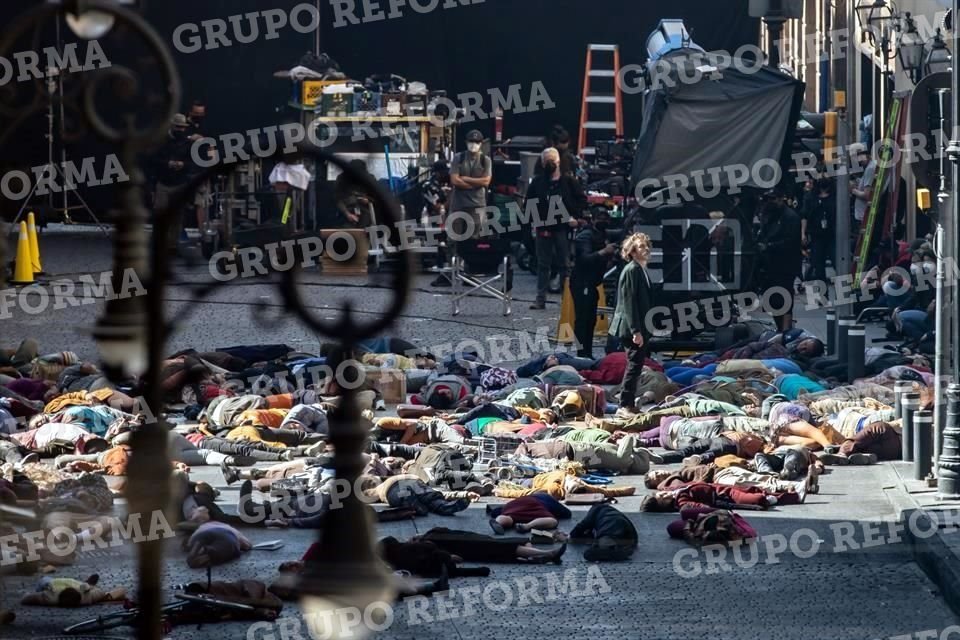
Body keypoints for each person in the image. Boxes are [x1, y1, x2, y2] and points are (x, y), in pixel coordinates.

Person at [526, 147, 587, 309]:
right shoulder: (538, 183)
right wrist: (534, 222)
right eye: (546, 161)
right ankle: (540, 299)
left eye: (552, 160)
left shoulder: (569, 182)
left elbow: (581, 201)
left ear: (558, 161)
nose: (549, 164)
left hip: (562, 228)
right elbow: (529, 204)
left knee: (565, 265)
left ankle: (567, 299)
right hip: (543, 228)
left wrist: (575, 217)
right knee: (543, 264)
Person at [609, 233, 654, 419]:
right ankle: (624, 405)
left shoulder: (640, 269)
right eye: (642, 247)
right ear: (633, 251)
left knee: (637, 364)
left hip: (640, 325)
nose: (646, 249)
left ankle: (629, 402)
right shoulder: (631, 270)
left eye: (647, 246)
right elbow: (629, 302)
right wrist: (636, 330)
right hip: (630, 327)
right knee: (634, 365)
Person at [571, 210, 617, 358]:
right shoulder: (585, 236)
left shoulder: (603, 235)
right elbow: (584, 259)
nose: (604, 221)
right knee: (583, 320)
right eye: (600, 218)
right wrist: (604, 252)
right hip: (582, 282)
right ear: (593, 219)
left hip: (592, 283)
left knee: (591, 319)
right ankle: (581, 353)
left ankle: (587, 353)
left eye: (606, 219)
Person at [756, 188, 802, 332]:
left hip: (785, 265)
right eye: (769, 199)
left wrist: (769, 246)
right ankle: (780, 328)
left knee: (784, 297)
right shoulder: (768, 214)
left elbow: (791, 242)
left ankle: (786, 329)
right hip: (770, 264)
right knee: (772, 298)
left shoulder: (790, 217)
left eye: (774, 199)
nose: (771, 202)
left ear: (781, 198)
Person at [449, 129, 492, 242]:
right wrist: (475, 185)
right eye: (471, 141)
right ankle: (453, 258)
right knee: (454, 236)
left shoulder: (485, 160)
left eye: (477, 142)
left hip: (477, 205)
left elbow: (486, 181)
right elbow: (454, 180)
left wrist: (465, 179)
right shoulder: (459, 157)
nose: (474, 144)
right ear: (466, 142)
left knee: (475, 238)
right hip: (458, 204)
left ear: (481, 143)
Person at [569, 503, 638, 562]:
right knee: (607, 539)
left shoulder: (596, 509)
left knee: (591, 551)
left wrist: (571, 535)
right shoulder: (608, 511)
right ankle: (619, 548)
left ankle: (610, 551)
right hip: (631, 534)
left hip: (611, 526)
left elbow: (582, 525)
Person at [802, 178, 833, 281]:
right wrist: (803, 233)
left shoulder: (835, 196)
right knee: (818, 264)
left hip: (833, 234)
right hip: (816, 235)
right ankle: (823, 293)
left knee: (837, 260)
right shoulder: (810, 197)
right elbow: (805, 215)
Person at [333, 159, 375, 228]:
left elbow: (376, 196)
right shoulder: (342, 178)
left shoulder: (369, 178)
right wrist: (347, 214)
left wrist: (368, 200)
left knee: (366, 223)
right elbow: (338, 199)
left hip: (365, 210)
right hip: (346, 210)